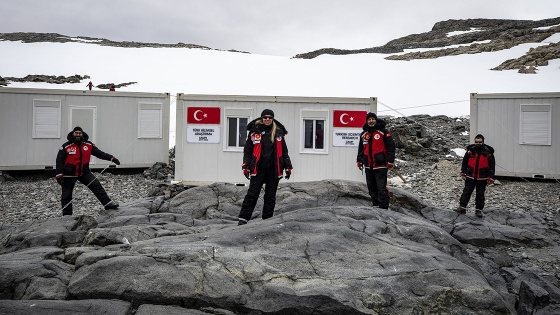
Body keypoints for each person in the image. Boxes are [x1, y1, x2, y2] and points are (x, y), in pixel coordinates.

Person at [238, 109, 293, 225]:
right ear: (262, 118)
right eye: (265, 117)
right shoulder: (254, 132)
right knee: (252, 194)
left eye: (270, 117)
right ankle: (243, 219)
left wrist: (288, 166)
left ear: (273, 119)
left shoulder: (279, 133)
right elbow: (247, 152)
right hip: (258, 169)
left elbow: (284, 152)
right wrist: (245, 166)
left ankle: (267, 221)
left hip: (274, 170)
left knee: (270, 196)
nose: (267, 119)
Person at [55, 126, 121, 215]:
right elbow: (59, 161)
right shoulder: (66, 146)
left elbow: (99, 153)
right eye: (76, 133)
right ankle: (67, 216)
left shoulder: (88, 145)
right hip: (69, 174)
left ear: (82, 134)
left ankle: (107, 204)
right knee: (66, 195)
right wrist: (59, 175)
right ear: (73, 134)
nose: (78, 135)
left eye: (80, 133)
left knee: (96, 185)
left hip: (84, 173)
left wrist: (112, 158)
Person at [357, 112, 396, 209]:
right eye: (369, 119)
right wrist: (359, 160)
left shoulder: (384, 132)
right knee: (371, 188)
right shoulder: (364, 134)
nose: (371, 121)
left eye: (373, 119)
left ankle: (384, 208)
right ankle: (375, 205)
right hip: (368, 165)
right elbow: (361, 149)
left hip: (381, 165)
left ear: (376, 120)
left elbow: (391, 147)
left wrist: (390, 161)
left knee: (381, 188)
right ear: (367, 121)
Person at [455, 134, 495, 218]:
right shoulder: (470, 151)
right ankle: (462, 208)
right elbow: (464, 162)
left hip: (482, 177)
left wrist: (491, 177)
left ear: (483, 142)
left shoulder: (489, 153)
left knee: (480, 195)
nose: (478, 143)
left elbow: (492, 165)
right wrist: (463, 172)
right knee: (466, 192)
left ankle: (478, 210)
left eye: (480, 142)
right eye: (476, 142)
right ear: (474, 141)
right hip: (470, 176)